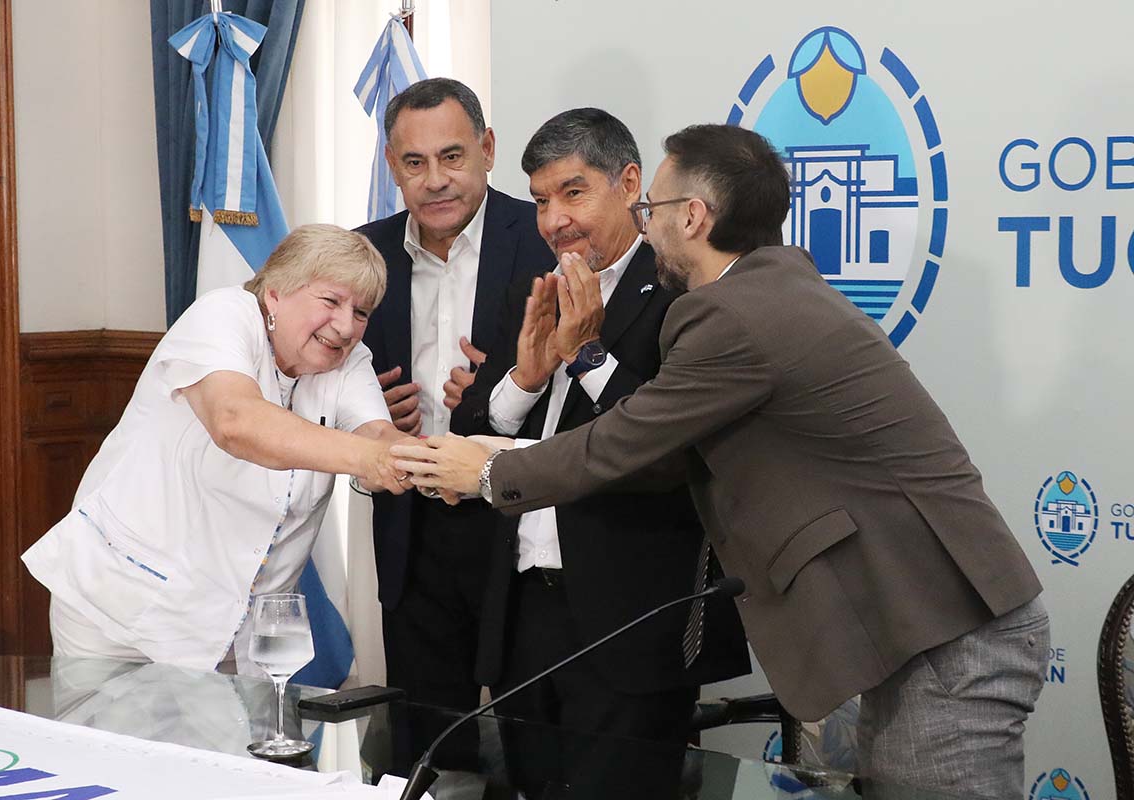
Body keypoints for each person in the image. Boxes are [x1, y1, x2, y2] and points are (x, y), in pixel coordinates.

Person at [393, 124, 1050, 798]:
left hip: (941, 625)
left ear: (692, 217)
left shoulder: (730, 317)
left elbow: (623, 441)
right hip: (919, 620)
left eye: (650, 209)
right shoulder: (769, 288)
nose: (645, 225)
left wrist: (487, 472)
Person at [450, 108, 749, 759]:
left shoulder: (683, 291)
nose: (554, 219)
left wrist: (588, 354)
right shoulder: (534, 287)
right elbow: (471, 432)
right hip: (520, 611)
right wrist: (523, 382)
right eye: (540, 201)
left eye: (573, 193)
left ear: (630, 183)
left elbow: (669, 453)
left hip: (630, 621)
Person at [23, 224, 410, 674]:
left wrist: (432, 461)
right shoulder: (223, 315)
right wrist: (370, 459)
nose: (346, 327)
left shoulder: (349, 362)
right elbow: (235, 422)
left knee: (235, 725)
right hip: (118, 610)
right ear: (276, 294)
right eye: (331, 301)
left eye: (361, 312)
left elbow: (377, 436)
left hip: (230, 629)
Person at [355, 78, 552, 712]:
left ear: (487, 149)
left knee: (535, 737)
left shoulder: (547, 238)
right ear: (393, 166)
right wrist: (368, 412)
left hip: (520, 526)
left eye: (452, 156)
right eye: (415, 163)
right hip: (410, 530)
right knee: (426, 740)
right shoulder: (363, 254)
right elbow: (322, 384)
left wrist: (506, 391)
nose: (435, 180)